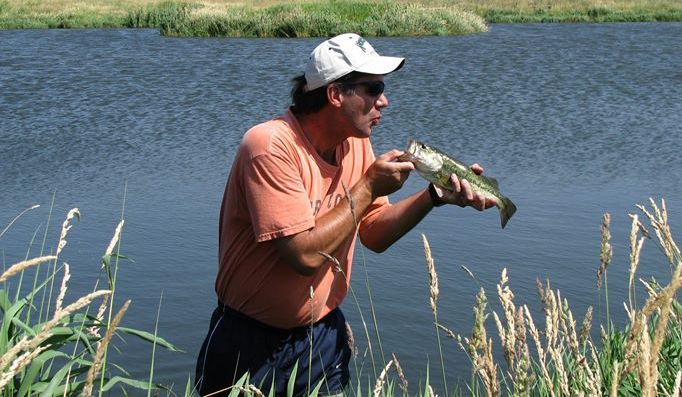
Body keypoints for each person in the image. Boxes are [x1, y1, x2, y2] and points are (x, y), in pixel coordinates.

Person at [194, 33, 493, 396]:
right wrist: (368, 186)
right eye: (372, 88)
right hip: (249, 343)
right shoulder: (269, 147)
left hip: (321, 338)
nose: (383, 100)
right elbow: (303, 255)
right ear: (335, 95)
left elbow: (373, 233)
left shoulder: (355, 142)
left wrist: (432, 196)